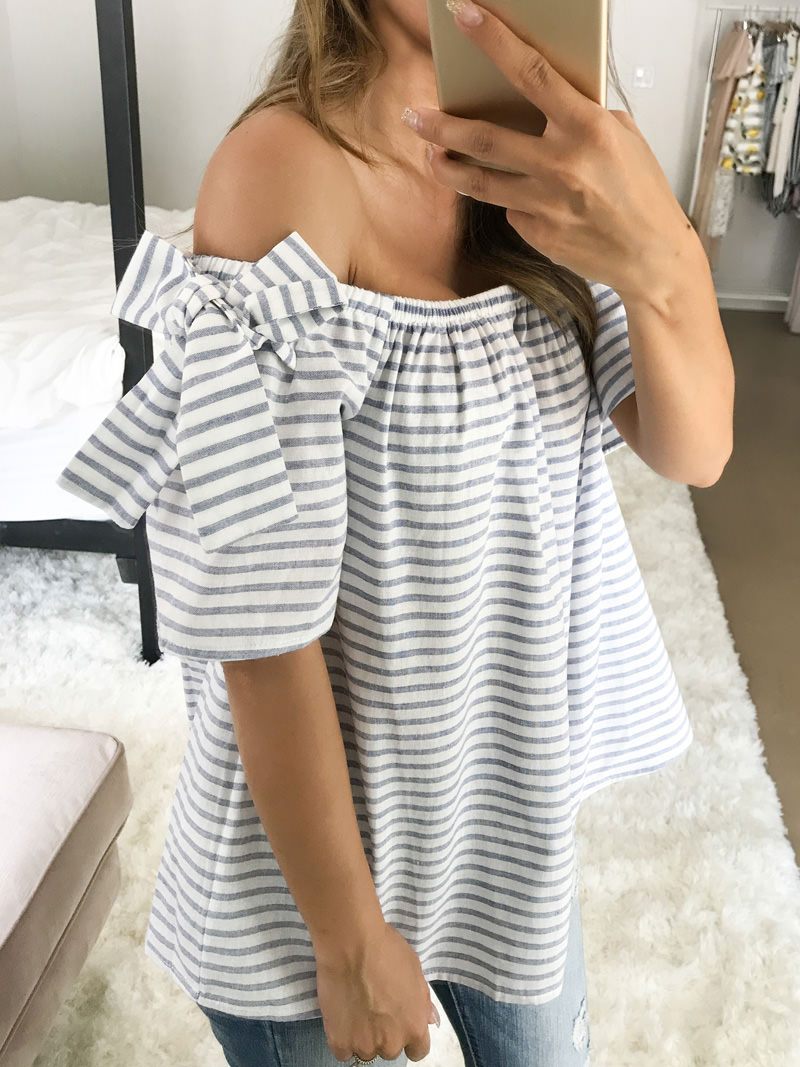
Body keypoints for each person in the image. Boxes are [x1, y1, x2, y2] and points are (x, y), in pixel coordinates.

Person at [57, 0, 735, 1064]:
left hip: (503, 833)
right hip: (314, 889)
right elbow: (261, 629)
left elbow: (691, 449)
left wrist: (666, 260)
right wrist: (348, 944)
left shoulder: (557, 146)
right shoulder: (281, 175)